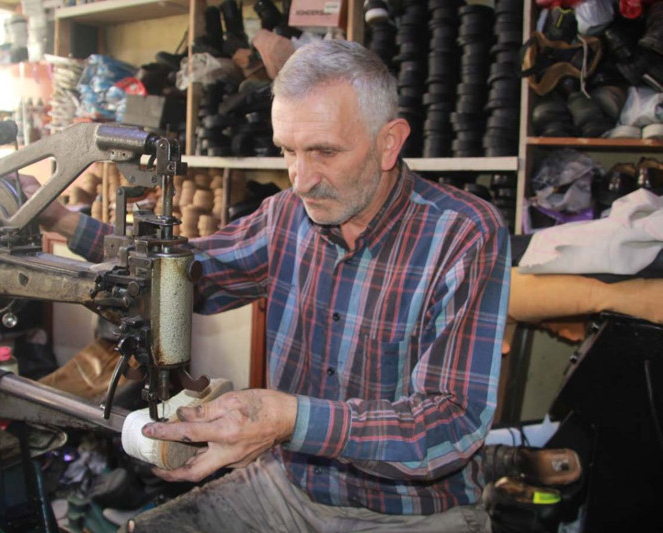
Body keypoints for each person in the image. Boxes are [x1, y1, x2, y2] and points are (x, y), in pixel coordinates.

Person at [27, 40, 511, 533]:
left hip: (409, 516)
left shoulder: (464, 235)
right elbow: (193, 274)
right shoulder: (285, 217)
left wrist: (291, 419)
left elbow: (452, 425)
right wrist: (63, 222)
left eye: (324, 151)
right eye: (288, 151)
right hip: (287, 488)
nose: (301, 180)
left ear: (389, 142)